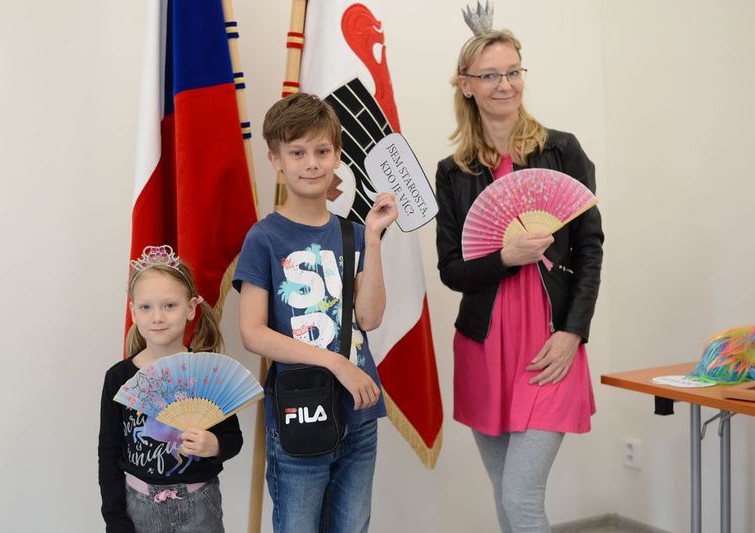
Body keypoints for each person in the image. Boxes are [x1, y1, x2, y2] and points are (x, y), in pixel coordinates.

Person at [435, 26, 604, 532]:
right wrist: (505, 257)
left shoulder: (563, 151)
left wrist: (573, 332)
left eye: (513, 72)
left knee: (521, 496)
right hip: (485, 346)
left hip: (550, 344)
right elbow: (452, 271)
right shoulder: (453, 172)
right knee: (505, 495)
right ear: (466, 84)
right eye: (490, 75)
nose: (505, 84)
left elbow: (590, 250)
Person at [234, 92, 398, 533]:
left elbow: (369, 318)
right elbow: (253, 333)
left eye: (322, 152)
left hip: (359, 413)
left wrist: (374, 238)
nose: (312, 163)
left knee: (352, 526)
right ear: (276, 159)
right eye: (298, 153)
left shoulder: (354, 234)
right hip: (299, 411)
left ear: (337, 156)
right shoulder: (264, 238)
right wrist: (336, 363)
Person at [98, 245, 243, 533]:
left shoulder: (205, 374)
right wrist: (114, 519)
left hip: (200, 505)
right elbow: (108, 454)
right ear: (133, 311)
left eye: (169, 305)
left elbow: (233, 437)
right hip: (138, 509)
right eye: (146, 307)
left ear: (190, 308)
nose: (157, 317)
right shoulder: (119, 378)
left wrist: (214, 445)